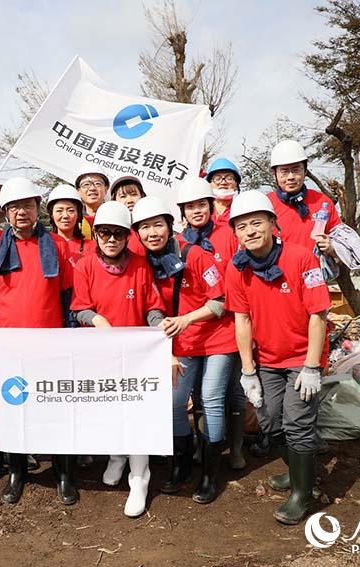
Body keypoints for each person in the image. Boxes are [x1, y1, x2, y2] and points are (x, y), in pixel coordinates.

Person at [224, 190, 331, 525]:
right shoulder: (237, 268)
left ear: (273, 224)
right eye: (242, 226)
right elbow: (241, 319)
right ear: (236, 233)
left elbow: (319, 314)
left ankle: (302, 492)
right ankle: (298, 472)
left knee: (297, 423)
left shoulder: (301, 258)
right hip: (268, 358)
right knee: (269, 421)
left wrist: (312, 366)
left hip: (303, 357)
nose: (250, 231)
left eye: (257, 222)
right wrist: (248, 371)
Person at [134, 191, 234, 504]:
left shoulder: (195, 255)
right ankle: (181, 464)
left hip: (216, 337)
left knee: (211, 399)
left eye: (158, 225)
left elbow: (221, 300)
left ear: (169, 224)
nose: (152, 233)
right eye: (145, 227)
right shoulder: (142, 263)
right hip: (180, 343)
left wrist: (187, 318)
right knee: (175, 404)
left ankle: (209, 474)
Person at [0, 176, 78, 505]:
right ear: (5, 213)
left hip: (51, 341)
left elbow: (68, 294)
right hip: (9, 344)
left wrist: (68, 332)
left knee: (57, 408)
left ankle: (63, 473)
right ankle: (17, 473)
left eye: (27, 205)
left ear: (37, 208)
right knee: (15, 409)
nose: (21, 212)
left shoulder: (59, 246)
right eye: (14, 207)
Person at [71, 201, 165, 517]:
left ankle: (140, 476)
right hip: (101, 353)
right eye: (105, 233)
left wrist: (158, 328)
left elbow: (153, 306)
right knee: (110, 409)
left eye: (118, 234)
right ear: (96, 234)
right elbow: (79, 307)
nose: (111, 239)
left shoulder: (140, 265)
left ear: (127, 236)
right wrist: (96, 319)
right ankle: (116, 456)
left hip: (137, 353)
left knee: (136, 412)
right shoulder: (84, 265)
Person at [198, 157, 248, 469]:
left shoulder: (240, 220)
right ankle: (209, 446)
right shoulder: (195, 227)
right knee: (208, 391)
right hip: (206, 320)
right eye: (218, 177)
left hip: (239, 314)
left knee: (236, 388)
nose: (224, 182)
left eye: (230, 178)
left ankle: (237, 446)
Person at [267, 140, 341, 255]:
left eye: (296, 170)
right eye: (284, 171)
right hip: (280, 272)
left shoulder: (322, 202)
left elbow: (342, 245)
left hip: (316, 271)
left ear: (305, 171)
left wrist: (332, 248)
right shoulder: (265, 204)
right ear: (274, 173)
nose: (291, 177)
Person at [47, 183, 96, 264]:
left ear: (78, 214)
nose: (65, 215)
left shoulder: (92, 247)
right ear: (52, 215)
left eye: (71, 210)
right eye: (59, 211)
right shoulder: (44, 246)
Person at [109, 175, 147, 256]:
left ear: (142, 196)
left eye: (134, 194)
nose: (129, 200)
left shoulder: (151, 226)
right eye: (123, 196)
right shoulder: (109, 228)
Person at [74, 165, 109, 237]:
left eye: (98, 184)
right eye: (86, 184)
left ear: (106, 188)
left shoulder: (114, 215)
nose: (92, 188)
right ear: (78, 191)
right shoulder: (73, 219)